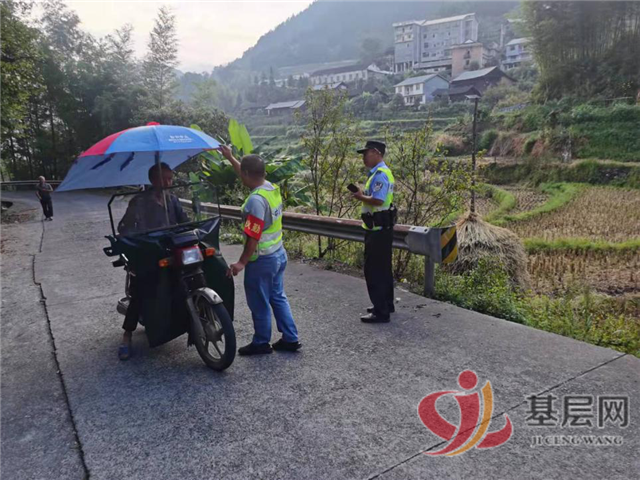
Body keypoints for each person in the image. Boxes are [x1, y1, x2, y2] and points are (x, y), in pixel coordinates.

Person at [219, 145, 301, 356]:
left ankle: (261, 342)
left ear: (247, 174)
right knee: (277, 297)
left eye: (242, 173)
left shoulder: (256, 201)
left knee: (259, 301)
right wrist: (230, 158)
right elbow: (247, 173)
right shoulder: (270, 188)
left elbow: (253, 236)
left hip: (262, 260)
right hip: (278, 254)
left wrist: (241, 262)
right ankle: (291, 338)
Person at [116, 162, 189, 360]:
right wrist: (137, 237)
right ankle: (127, 336)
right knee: (140, 291)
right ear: (153, 180)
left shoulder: (172, 199)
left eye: (170, 178)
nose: (168, 182)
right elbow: (124, 228)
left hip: (171, 249)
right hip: (150, 253)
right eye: (164, 178)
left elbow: (184, 222)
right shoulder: (139, 202)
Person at [351, 140, 396, 323]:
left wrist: (360, 196)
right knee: (384, 269)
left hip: (377, 230)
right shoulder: (382, 172)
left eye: (366, 153)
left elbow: (378, 200)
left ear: (377, 153)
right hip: (382, 228)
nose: (364, 157)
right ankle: (386, 304)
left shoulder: (379, 174)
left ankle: (380, 311)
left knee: (374, 271)